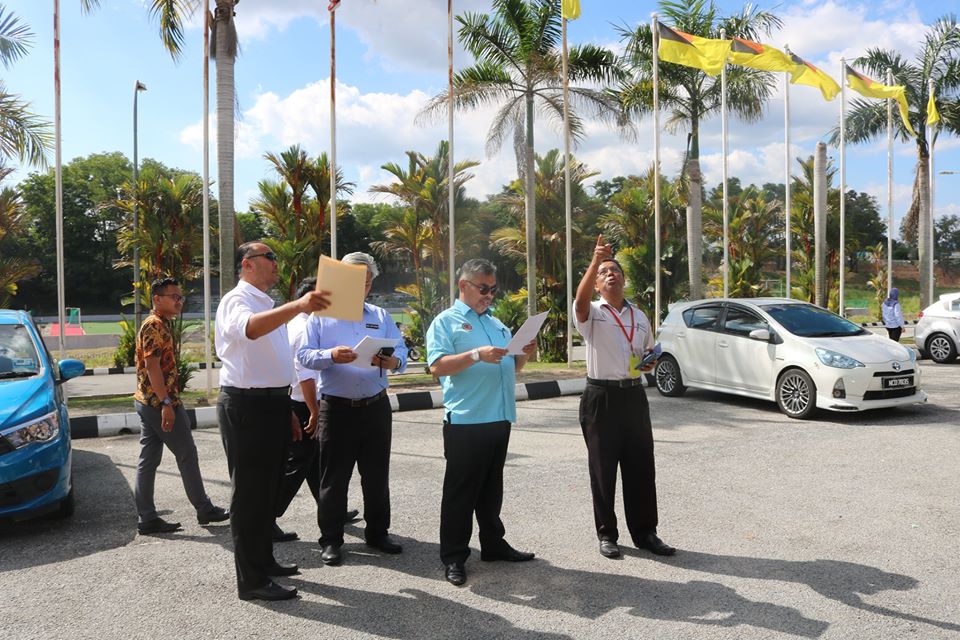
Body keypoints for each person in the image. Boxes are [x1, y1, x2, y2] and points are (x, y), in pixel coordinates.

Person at [215, 242, 331, 602]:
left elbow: (277, 361)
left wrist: (287, 410)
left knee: (267, 491)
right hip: (247, 405)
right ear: (248, 264)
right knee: (250, 495)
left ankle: (264, 561)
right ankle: (251, 580)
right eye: (270, 257)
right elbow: (249, 330)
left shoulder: (266, 303)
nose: (276, 263)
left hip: (274, 403)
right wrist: (298, 305)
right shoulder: (238, 300)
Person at [426, 258, 537, 587]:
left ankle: (493, 544)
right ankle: (454, 556)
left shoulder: (497, 324)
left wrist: (523, 353)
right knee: (460, 493)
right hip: (467, 420)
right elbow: (436, 366)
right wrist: (476, 355)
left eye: (493, 290)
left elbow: (511, 368)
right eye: (483, 289)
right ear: (464, 285)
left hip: (499, 417)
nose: (489, 295)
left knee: (491, 490)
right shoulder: (446, 322)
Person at [297, 252, 407, 566]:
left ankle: (378, 533)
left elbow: (400, 349)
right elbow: (304, 356)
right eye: (358, 280)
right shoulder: (321, 315)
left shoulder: (380, 315)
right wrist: (331, 355)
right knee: (334, 477)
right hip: (337, 408)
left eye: (368, 281)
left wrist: (394, 361)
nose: (364, 286)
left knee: (376, 475)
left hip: (375, 406)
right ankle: (331, 540)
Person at [573, 235, 675, 560]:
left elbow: (645, 352)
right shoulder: (591, 312)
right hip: (600, 397)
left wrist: (649, 361)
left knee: (641, 467)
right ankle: (607, 534)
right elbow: (579, 301)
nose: (610, 274)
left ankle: (646, 532)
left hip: (633, 396)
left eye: (614, 270)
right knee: (603, 470)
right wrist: (595, 260)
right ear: (597, 284)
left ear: (624, 279)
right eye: (603, 273)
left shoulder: (639, 316)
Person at [133, 277, 229, 535]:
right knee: (186, 454)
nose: (179, 301)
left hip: (147, 400)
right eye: (173, 297)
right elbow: (152, 367)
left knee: (148, 460)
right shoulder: (154, 325)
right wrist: (166, 402)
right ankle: (203, 508)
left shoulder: (160, 323)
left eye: (180, 297)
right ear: (157, 299)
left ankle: (147, 518)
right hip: (159, 402)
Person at [274, 276, 360, 543]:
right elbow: (305, 375)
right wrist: (314, 411)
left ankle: (331, 509)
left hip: (302, 402)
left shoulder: (299, 323)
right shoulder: (303, 328)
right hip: (305, 404)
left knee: (317, 464)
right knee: (298, 464)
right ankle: (266, 517)